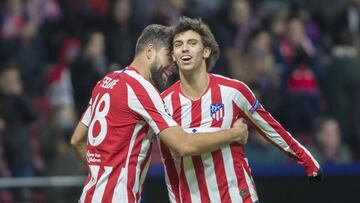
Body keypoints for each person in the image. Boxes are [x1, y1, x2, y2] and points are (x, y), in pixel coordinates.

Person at [70, 24, 249, 203]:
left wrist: (102, 174)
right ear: (149, 51)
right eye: (167, 55)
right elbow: (183, 144)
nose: (172, 65)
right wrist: (233, 134)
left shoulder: (106, 82)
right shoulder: (142, 89)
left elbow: (77, 140)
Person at [158, 17, 322, 203]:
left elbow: (271, 128)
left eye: (192, 43)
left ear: (206, 51)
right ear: (173, 56)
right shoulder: (163, 104)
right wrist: (232, 135)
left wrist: (306, 159)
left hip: (237, 197)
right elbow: (174, 153)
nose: (185, 48)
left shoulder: (234, 91)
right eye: (178, 44)